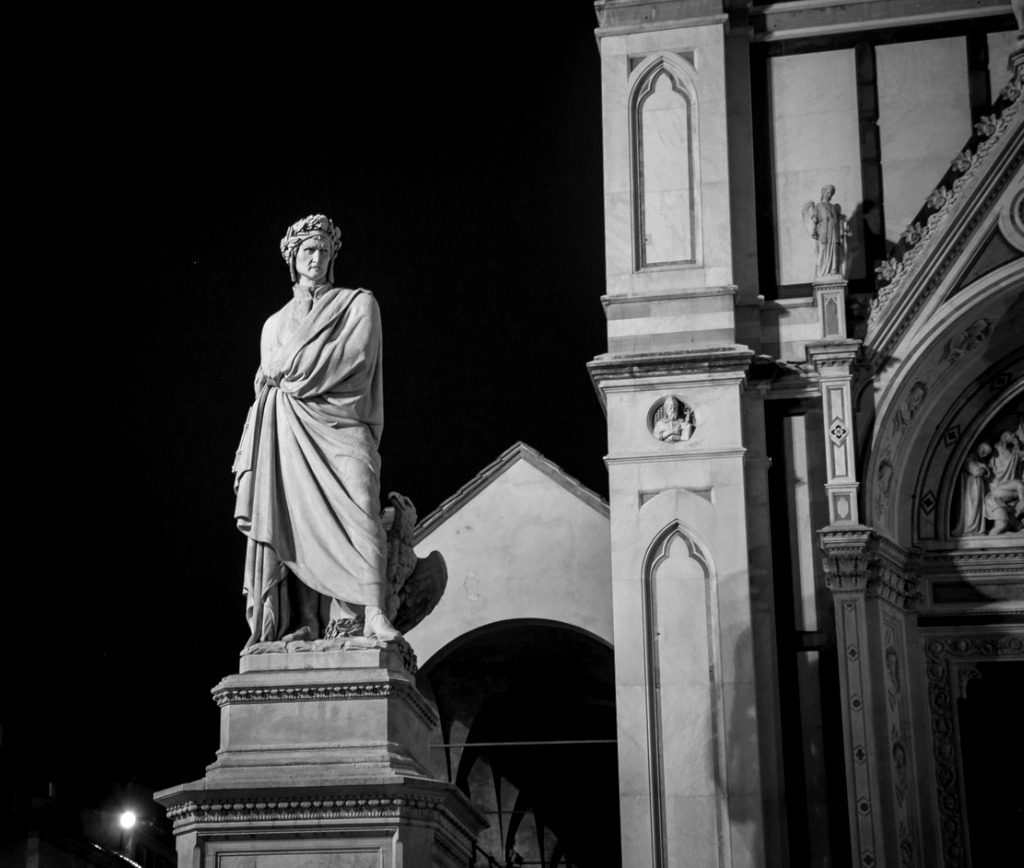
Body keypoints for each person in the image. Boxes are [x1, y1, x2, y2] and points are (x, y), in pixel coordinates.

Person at [232, 214, 401, 646]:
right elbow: (262, 381)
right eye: (309, 250)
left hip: (344, 424)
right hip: (290, 430)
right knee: (296, 518)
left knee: (362, 504)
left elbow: (355, 359)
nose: (317, 258)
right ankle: (306, 619)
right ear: (293, 258)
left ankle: (375, 613)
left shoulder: (358, 304)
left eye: (325, 250)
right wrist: (277, 377)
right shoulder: (274, 324)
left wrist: (288, 373)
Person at [803, 184, 847, 278]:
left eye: (831, 193)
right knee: (823, 250)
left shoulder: (834, 207)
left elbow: (839, 220)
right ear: (823, 193)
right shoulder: (818, 206)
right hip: (824, 231)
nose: (829, 195)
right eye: (828, 192)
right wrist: (813, 230)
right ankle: (821, 273)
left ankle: (834, 271)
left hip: (834, 231)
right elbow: (814, 220)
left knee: (834, 250)